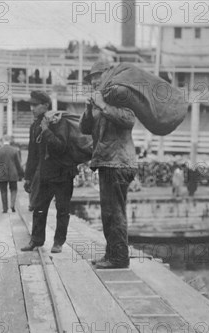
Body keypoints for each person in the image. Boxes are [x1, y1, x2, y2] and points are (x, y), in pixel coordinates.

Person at [79, 61, 138, 270]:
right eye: (91, 78)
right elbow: (85, 128)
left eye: (97, 76)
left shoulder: (120, 93)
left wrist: (103, 105)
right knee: (108, 212)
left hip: (119, 162)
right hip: (106, 161)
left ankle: (120, 258)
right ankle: (111, 254)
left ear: (108, 75)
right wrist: (89, 107)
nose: (94, 81)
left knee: (115, 211)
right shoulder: (98, 98)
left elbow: (129, 120)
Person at [21, 91, 76, 254]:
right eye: (31, 105)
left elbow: (61, 147)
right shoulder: (34, 125)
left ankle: (58, 242)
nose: (32, 108)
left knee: (62, 209)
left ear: (45, 105)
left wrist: (46, 131)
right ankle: (36, 240)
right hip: (44, 175)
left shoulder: (59, 122)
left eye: (35, 105)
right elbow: (33, 154)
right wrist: (28, 177)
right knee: (38, 208)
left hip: (63, 173)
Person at [0, 135, 24, 213]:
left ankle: (5, 208)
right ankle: (12, 205)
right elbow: (18, 163)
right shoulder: (14, 150)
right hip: (13, 172)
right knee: (13, 189)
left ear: (2, 142)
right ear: (9, 142)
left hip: (2, 172)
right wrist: (21, 173)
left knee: (3, 191)